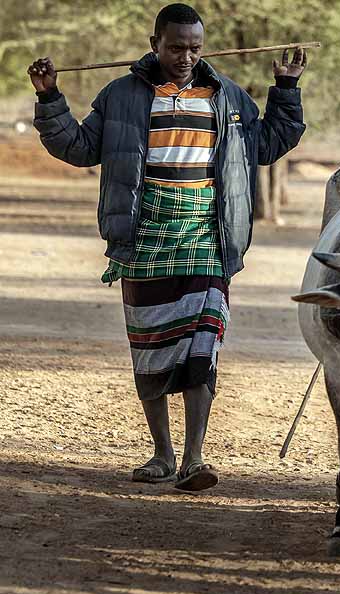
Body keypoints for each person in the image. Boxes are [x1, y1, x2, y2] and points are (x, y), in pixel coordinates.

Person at [27, 3, 307, 492]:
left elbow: (267, 145)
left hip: (208, 238)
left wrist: (286, 90)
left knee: (204, 346)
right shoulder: (120, 95)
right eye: (176, 47)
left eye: (195, 47)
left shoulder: (228, 98)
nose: (185, 56)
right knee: (151, 347)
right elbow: (76, 147)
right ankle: (162, 453)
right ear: (154, 42)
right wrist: (50, 98)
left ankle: (195, 458)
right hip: (144, 238)